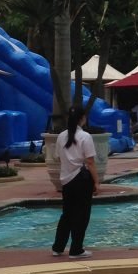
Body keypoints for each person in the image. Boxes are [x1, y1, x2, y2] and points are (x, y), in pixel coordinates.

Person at [51, 106, 100, 260]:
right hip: (81, 179)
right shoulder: (85, 136)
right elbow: (90, 162)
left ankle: (58, 247)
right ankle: (76, 249)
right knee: (82, 214)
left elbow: (58, 157)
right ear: (82, 118)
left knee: (67, 214)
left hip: (66, 180)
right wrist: (97, 182)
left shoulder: (61, 136)